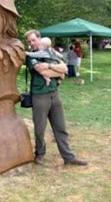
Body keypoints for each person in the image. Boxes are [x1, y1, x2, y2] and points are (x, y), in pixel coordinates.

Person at [25, 29, 88, 166]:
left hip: (55, 94)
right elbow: (42, 70)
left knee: (61, 127)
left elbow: (65, 68)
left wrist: (50, 66)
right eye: (29, 41)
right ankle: (39, 155)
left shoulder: (51, 52)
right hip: (39, 96)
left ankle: (68, 157)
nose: (32, 43)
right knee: (39, 129)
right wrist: (57, 71)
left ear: (40, 39)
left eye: (33, 40)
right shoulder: (31, 56)